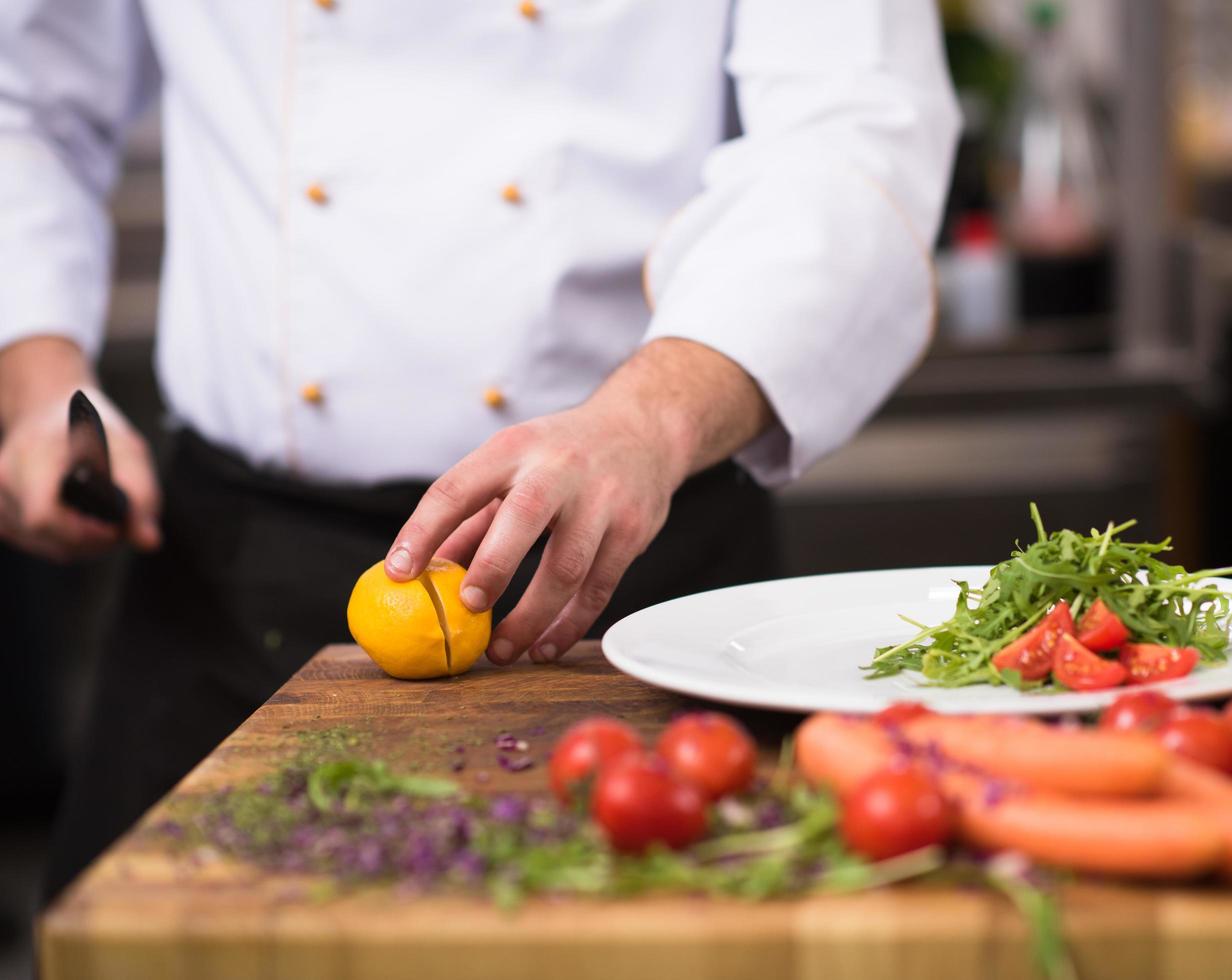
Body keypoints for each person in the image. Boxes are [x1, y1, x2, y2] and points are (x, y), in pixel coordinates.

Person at [0, 1, 959, 899]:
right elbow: (25, 100)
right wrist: (39, 380)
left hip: (634, 575)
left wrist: (648, 420)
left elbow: (854, 130)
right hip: (230, 576)